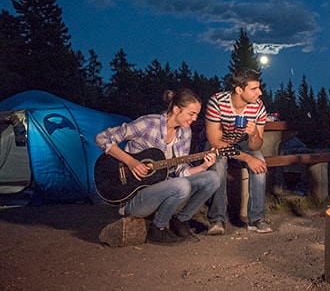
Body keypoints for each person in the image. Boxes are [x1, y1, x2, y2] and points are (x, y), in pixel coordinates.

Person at [94, 89, 220, 244]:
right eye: (191, 113)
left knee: (212, 178)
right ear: (176, 109)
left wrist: (203, 166)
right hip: (136, 198)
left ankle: (180, 220)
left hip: (164, 190)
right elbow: (101, 138)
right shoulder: (148, 123)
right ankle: (157, 229)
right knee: (181, 185)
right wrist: (131, 162)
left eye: (197, 114)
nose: (194, 119)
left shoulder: (185, 133)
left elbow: (181, 171)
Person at [203, 68, 272, 234]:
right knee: (218, 165)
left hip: (242, 144)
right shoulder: (217, 102)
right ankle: (217, 219)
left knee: (260, 163)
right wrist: (248, 159)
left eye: (259, 87)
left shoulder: (258, 107)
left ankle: (256, 218)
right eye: (254, 89)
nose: (260, 93)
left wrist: (254, 134)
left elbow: (255, 146)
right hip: (219, 143)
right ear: (239, 90)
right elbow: (215, 142)